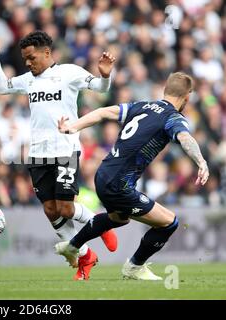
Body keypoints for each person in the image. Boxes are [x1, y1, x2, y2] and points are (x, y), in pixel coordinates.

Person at [0, 30, 118, 280]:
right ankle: (86, 256)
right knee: (50, 210)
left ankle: (102, 224)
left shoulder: (70, 73)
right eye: (25, 58)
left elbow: (100, 88)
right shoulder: (29, 80)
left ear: (47, 53)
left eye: (31, 57)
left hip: (65, 149)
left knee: (66, 209)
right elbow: (2, 87)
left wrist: (105, 75)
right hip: (37, 154)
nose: (27, 63)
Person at [55, 72, 209, 280]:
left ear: (166, 90)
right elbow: (185, 137)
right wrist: (201, 161)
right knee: (169, 223)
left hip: (103, 174)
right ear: (187, 97)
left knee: (118, 218)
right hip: (118, 184)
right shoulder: (172, 117)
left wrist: (72, 127)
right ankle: (134, 266)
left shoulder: (142, 106)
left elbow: (102, 112)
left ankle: (72, 246)